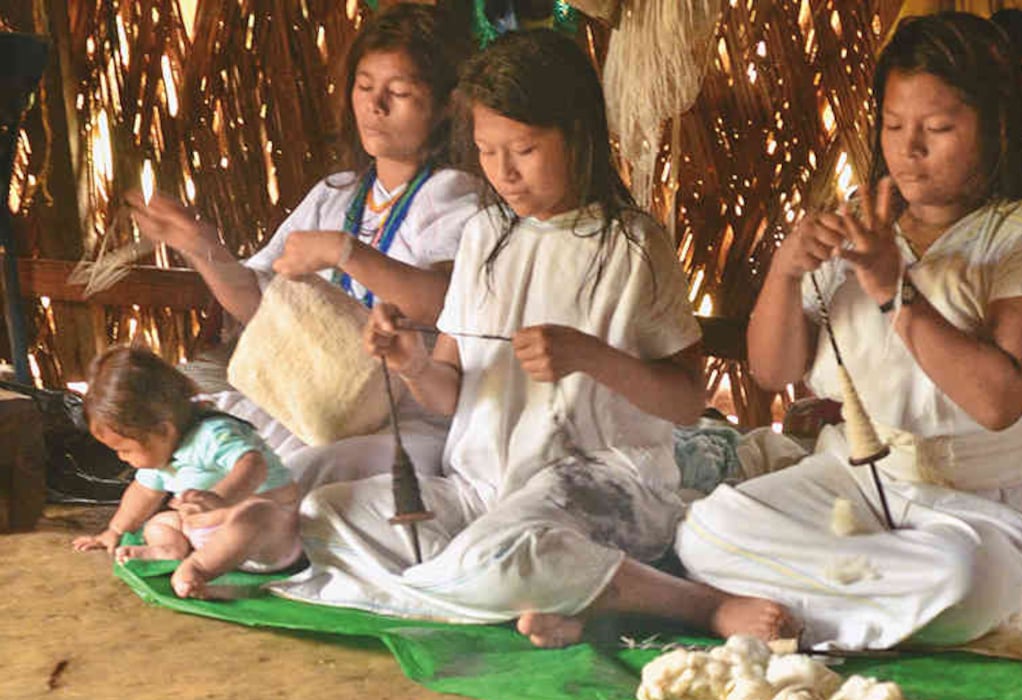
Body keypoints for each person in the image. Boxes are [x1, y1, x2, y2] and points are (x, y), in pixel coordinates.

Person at [270, 29, 792, 647]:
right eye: (489, 153)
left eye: (523, 149)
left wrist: (590, 356)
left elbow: (683, 401)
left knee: (512, 555)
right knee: (319, 516)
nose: (504, 174)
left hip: (597, 484)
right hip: (482, 489)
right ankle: (569, 601)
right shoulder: (485, 237)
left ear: (577, 135)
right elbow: (449, 395)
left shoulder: (630, 244)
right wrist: (411, 362)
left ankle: (698, 606)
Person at [675, 12, 1022, 650]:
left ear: (995, 128)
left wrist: (892, 288)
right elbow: (771, 371)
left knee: (965, 578)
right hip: (857, 481)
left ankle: (802, 608)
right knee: (707, 529)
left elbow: (997, 400)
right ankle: (874, 612)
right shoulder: (861, 224)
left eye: (939, 128)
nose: (910, 148)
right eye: (894, 126)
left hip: (978, 508)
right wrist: (786, 272)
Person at [126, 2, 481, 489]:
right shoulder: (335, 193)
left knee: (292, 480)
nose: (375, 106)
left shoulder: (452, 194)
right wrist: (201, 246)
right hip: (314, 401)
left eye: (399, 92)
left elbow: (449, 302)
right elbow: (260, 302)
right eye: (364, 86)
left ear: (445, 107)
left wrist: (345, 253)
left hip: (405, 416)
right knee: (202, 441)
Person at [70, 346, 301, 599]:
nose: (121, 457)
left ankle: (198, 569)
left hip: (266, 537)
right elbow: (143, 493)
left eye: (125, 449)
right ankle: (168, 549)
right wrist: (115, 531)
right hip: (207, 534)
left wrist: (221, 499)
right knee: (160, 522)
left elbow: (253, 464)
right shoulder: (161, 452)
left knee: (255, 514)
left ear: (164, 430)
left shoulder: (212, 434)